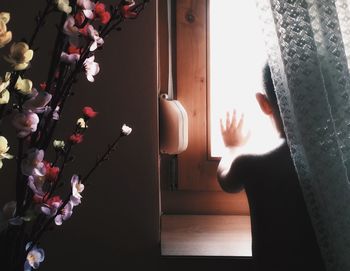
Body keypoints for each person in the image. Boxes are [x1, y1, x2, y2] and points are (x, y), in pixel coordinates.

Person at [217, 64, 326, 271]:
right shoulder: (336, 165)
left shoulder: (251, 164)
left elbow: (226, 180)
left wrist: (232, 147)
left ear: (263, 103)